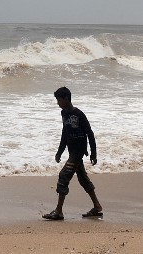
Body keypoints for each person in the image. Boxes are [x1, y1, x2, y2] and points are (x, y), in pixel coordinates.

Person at [42, 86, 103, 220]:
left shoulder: (79, 114)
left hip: (79, 151)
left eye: (58, 100)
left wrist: (94, 153)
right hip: (72, 152)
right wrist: (59, 152)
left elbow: (90, 134)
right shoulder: (64, 113)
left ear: (66, 99)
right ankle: (97, 207)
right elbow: (65, 133)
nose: (57, 103)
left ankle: (58, 211)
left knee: (63, 176)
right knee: (83, 179)